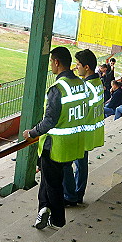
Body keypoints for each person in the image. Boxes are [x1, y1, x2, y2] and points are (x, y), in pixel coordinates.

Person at [23, 47, 88, 229]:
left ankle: (58, 221)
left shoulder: (57, 89)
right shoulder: (81, 85)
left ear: (57, 62)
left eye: (51, 61)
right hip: (74, 144)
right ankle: (43, 209)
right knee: (48, 179)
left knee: (53, 185)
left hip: (55, 146)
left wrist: (32, 133)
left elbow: (49, 121)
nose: (51, 64)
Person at [62, 49, 105, 207]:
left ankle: (71, 196)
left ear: (87, 67)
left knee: (65, 164)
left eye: (78, 65)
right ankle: (78, 194)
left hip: (80, 133)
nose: (76, 67)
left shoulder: (87, 87)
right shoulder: (97, 83)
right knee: (81, 164)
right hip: (90, 132)